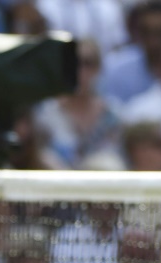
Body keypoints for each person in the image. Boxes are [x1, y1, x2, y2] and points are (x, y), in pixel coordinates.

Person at [35, 38, 124, 170]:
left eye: (88, 63)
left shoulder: (114, 114)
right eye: (73, 63)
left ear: (98, 68)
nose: (80, 71)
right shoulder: (46, 115)